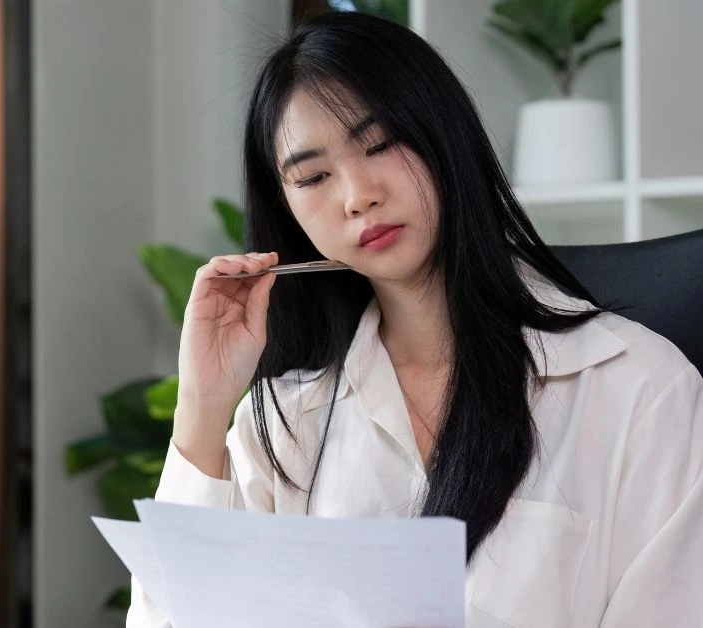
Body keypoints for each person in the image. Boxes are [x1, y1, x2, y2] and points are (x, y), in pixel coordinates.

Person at [127, 11, 703, 628]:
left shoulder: (639, 388)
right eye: (313, 177)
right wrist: (203, 405)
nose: (358, 196)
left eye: (380, 145)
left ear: (444, 135)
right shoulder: (286, 421)